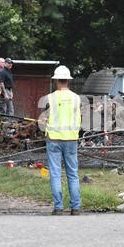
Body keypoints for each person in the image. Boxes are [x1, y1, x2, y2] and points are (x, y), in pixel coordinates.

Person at [44, 65, 82, 216]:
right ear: (68, 81)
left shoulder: (50, 98)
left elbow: (46, 117)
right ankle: (75, 207)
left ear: (55, 81)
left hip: (53, 138)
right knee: (72, 174)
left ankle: (58, 207)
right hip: (71, 138)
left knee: (55, 173)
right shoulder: (76, 98)